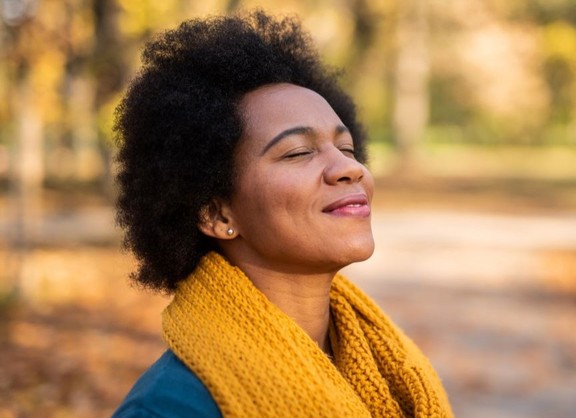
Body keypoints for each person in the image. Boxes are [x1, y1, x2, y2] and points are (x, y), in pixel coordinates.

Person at [111, 10, 453, 418]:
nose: (351, 168)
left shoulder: (386, 367)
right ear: (217, 215)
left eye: (346, 149)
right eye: (298, 152)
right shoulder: (171, 407)